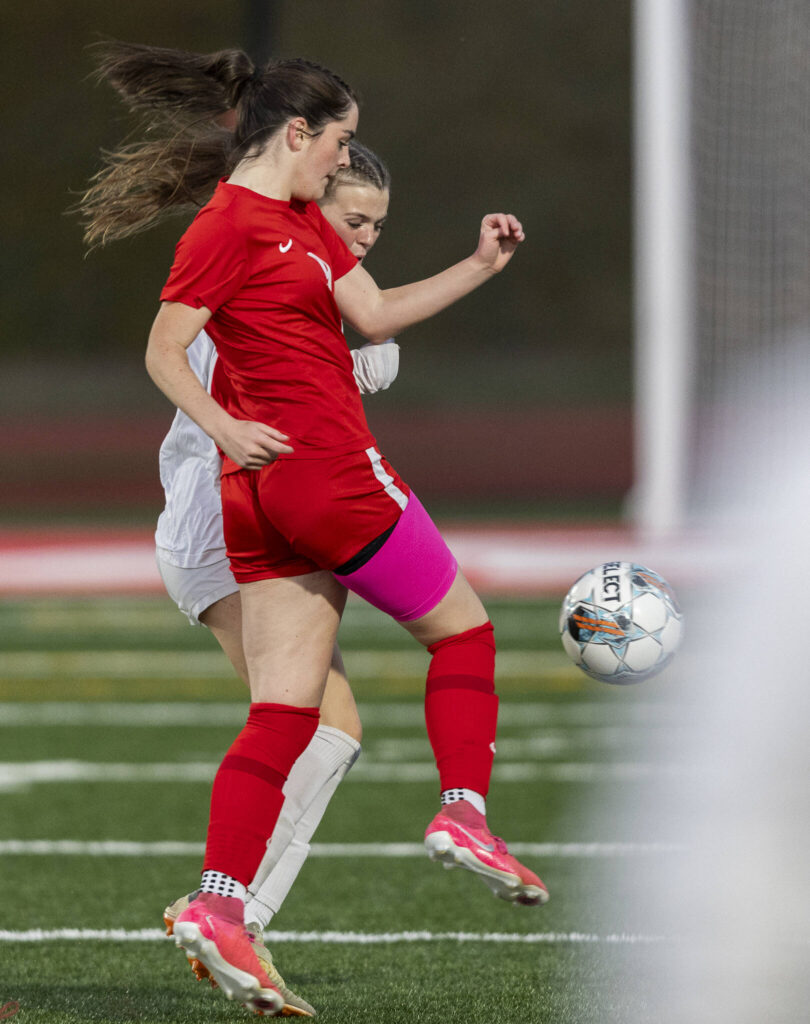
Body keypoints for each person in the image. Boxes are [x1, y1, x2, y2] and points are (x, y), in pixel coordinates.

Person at [83, 42, 548, 1017]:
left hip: (256, 492)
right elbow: (174, 348)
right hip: (271, 486)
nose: (347, 176)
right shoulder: (237, 230)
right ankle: (458, 812)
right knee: (455, 634)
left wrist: (475, 264)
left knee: (302, 719)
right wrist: (236, 420)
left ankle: (223, 912)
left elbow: (366, 317)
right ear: (299, 136)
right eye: (340, 157)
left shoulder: (297, 229)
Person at [154, 142, 395, 1018]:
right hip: (218, 515)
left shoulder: (299, 264)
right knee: (316, 724)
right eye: (349, 220)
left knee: (323, 726)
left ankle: (228, 914)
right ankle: (228, 913)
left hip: (228, 513)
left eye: (376, 226)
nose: (362, 241)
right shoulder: (268, 256)